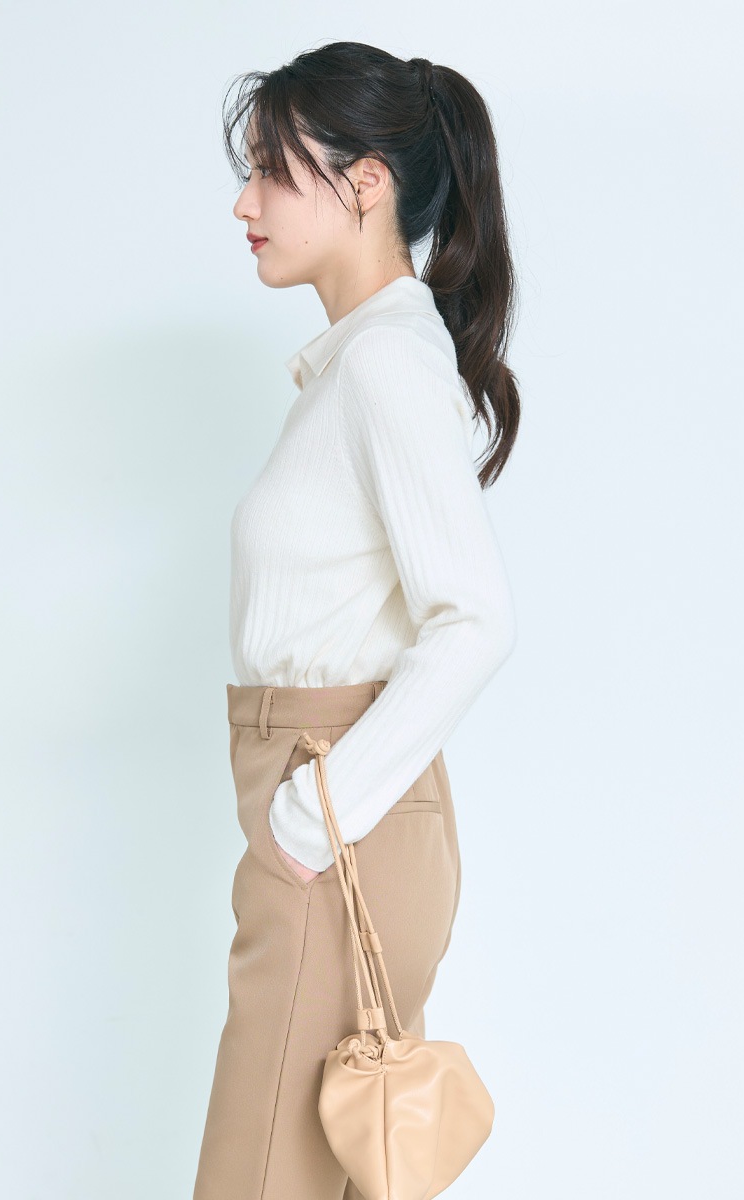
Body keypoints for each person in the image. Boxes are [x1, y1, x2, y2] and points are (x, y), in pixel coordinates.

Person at [193, 40, 521, 1200]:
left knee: (257, 1180)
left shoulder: (384, 363)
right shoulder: (357, 364)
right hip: (338, 814)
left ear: (366, 183)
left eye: (270, 171)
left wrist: (306, 818)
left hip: (337, 816)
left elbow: (473, 618)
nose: (245, 204)